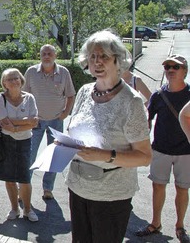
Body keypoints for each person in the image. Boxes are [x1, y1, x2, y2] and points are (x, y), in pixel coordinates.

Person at [67, 30, 152, 242]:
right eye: (92, 56)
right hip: (78, 188)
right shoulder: (84, 92)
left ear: (118, 60)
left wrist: (104, 155)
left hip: (111, 196)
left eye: (104, 56)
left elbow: (144, 156)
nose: (97, 62)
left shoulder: (131, 102)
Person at [137, 54, 190, 242]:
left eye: (175, 67)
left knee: (182, 189)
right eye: (167, 67)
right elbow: (147, 121)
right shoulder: (159, 95)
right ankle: (155, 223)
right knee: (158, 186)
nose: (170, 70)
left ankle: (180, 226)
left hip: (186, 151)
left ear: (184, 71)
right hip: (161, 149)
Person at [23, 44, 75, 200]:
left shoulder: (64, 73)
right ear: (40, 55)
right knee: (30, 156)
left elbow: (71, 95)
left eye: (49, 53)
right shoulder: (31, 72)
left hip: (56, 121)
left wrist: (65, 113)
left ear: (55, 56)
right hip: (36, 122)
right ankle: (24, 187)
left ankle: (48, 189)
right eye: (44, 53)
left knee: (53, 156)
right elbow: (25, 95)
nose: (46, 56)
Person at [0, 68, 39, 222]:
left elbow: (34, 122)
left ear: (21, 80)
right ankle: (14, 209)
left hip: (25, 141)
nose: (13, 81)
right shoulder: (0, 98)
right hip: (6, 142)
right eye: (9, 79)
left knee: (25, 178)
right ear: (4, 83)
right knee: (9, 178)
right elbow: (3, 121)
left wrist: (15, 126)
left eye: (16, 78)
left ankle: (27, 209)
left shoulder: (29, 97)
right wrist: (25, 121)